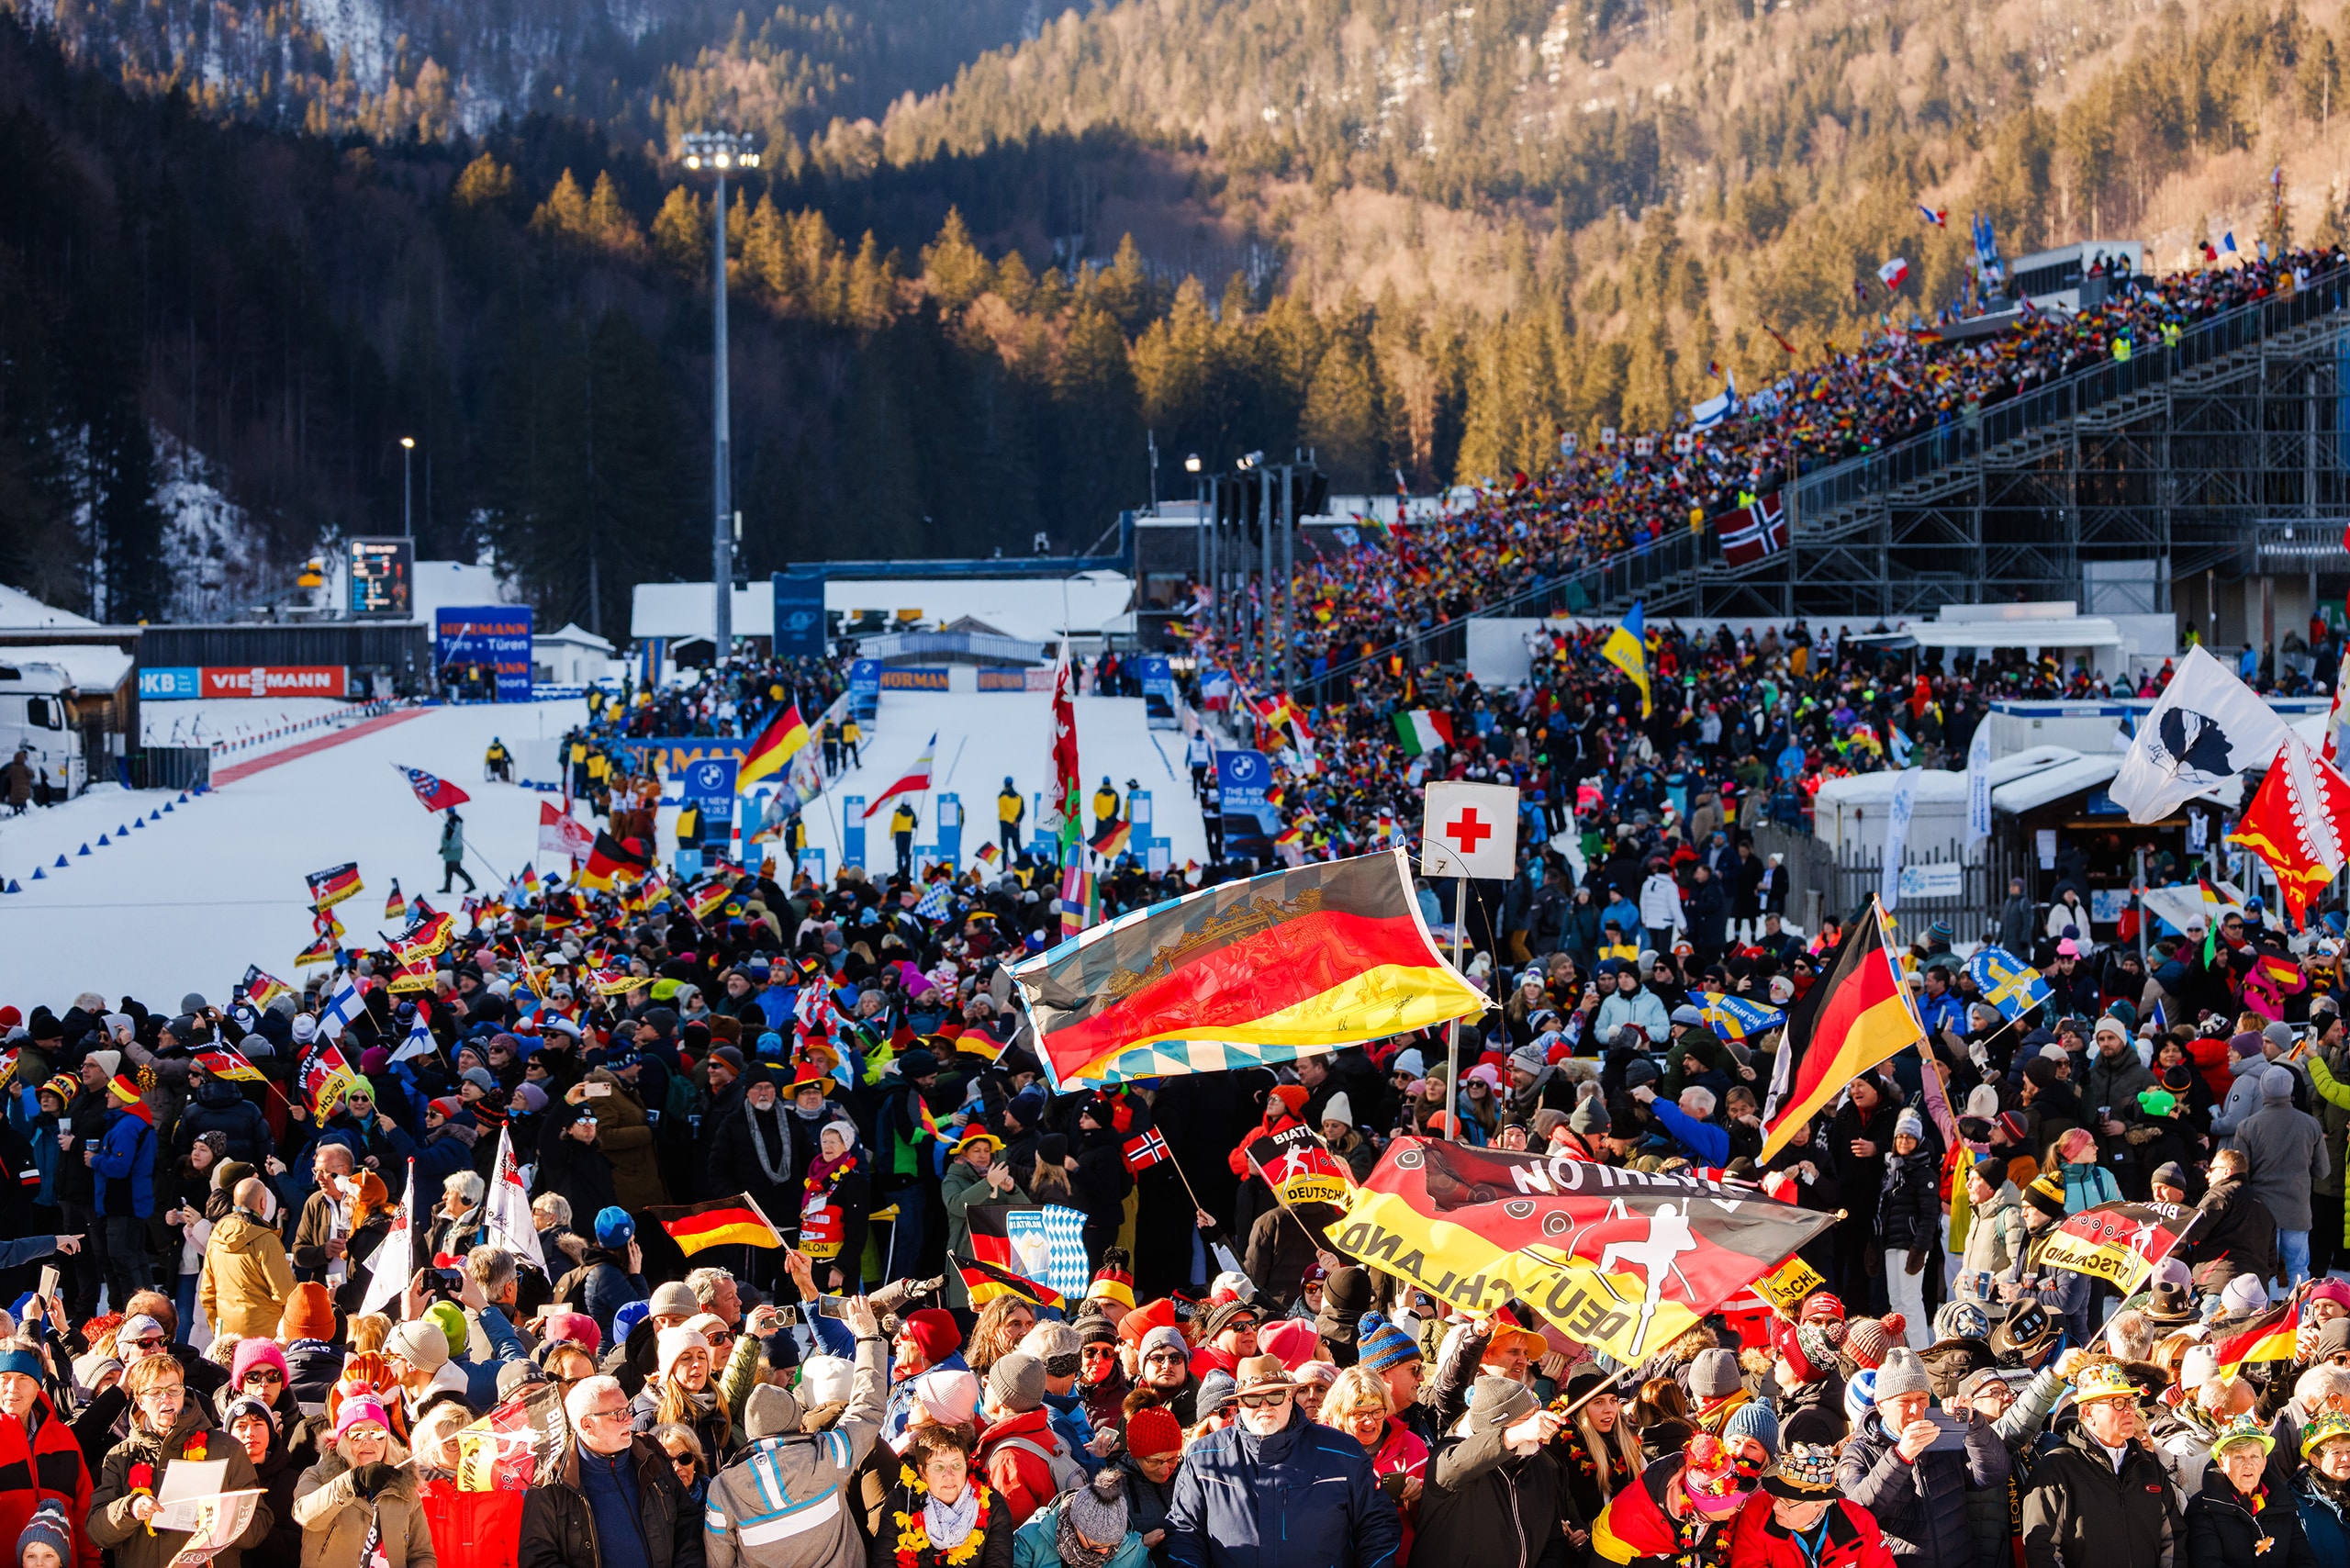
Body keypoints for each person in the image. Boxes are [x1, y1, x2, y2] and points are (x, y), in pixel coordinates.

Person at [1162, 1353, 1400, 1568]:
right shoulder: (1204, 1458)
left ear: (1289, 1398)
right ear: (1240, 1405)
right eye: (1254, 1399)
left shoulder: (1342, 1452)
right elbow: (1184, 1531)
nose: (1265, 1406)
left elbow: (1376, 1523)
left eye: (1274, 1396)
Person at [702, 1295, 886, 1568]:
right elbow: (868, 1409)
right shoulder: (829, 1455)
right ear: (798, 1420)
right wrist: (869, 1337)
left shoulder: (723, 1488)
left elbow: (719, 1561)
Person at [88, 1354, 273, 1568]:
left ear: (183, 1392)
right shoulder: (121, 1456)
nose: (166, 1399)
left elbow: (259, 1523)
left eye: (173, 1390)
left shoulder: (226, 1448)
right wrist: (131, 1508)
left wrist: (220, 1522)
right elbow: (96, 1531)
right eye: (156, 1392)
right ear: (140, 1400)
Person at [1836, 1347, 2009, 1568]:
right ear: (1881, 1405)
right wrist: (1900, 1457)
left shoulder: (1942, 1432)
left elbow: (1994, 1474)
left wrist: (1973, 1424)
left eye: (1921, 1398)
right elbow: (1855, 1513)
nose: (1915, 1410)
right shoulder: (1859, 1451)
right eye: (1904, 1401)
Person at [518, 1374, 704, 1568]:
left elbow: (686, 1521)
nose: (630, 1420)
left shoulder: (650, 1454)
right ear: (587, 1424)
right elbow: (538, 1559)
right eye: (618, 1414)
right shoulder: (551, 1481)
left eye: (627, 1410)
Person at [2020, 1361, 2182, 1568]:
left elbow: (2174, 1539)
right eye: (2117, 1403)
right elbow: (2042, 1549)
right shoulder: (2056, 1468)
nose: (2129, 1411)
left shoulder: (2148, 1465)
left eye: (2130, 1402)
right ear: (2088, 1413)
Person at [1412, 1374, 1577, 1567]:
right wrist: (1519, 1433)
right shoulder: (1449, 1457)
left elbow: (1552, 1540)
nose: (1534, 1426)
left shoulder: (1539, 1464)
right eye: (1525, 1418)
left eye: (1535, 1413)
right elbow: (1455, 1465)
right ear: (1496, 1426)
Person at [291, 1394, 435, 1567]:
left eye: (377, 1432)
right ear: (343, 1440)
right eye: (357, 1434)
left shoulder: (404, 1486)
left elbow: (422, 1554)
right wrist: (353, 1481)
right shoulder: (317, 1475)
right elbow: (305, 1515)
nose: (368, 1441)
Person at [866, 1421, 1013, 1568]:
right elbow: (884, 1562)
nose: (949, 1475)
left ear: (967, 1466)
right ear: (922, 1471)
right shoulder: (902, 1503)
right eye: (938, 1467)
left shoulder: (992, 1505)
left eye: (956, 1465)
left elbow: (999, 1562)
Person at [1729, 1442, 1897, 1568]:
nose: (1775, 1507)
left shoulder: (1859, 1521)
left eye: (1788, 1502)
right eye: (1776, 1497)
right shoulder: (1757, 1509)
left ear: (1819, 1504)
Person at [2184, 1413, 2316, 1568]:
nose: (2248, 1464)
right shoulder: (2203, 1507)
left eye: (2254, 1456)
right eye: (2239, 1457)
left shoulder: (2282, 1502)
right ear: (2221, 1463)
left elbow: (2304, 1560)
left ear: (2264, 1462)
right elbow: (2206, 1563)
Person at [200, 1176, 298, 1341]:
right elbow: (283, 1293)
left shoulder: (216, 1237)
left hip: (227, 1333)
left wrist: (219, 1332)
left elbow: (207, 1293)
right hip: (264, 1334)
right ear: (263, 1203)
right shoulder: (266, 1240)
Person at [1009, 1468, 1148, 1568]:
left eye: (1113, 1543)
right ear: (1075, 1525)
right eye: (1097, 1544)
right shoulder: (1033, 1536)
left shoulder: (1131, 1551)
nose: (1105, 1552)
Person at [440, 810, 476, 894]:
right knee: (448, 869)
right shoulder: (449, 823)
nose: (447, 815)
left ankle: (471, 884)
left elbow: (453, 837)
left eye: (448, 813)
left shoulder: (455, 822)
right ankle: (447, 887)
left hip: (454, 849)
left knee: (456, 868)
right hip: (449, 850)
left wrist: (447, 846)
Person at [998, 778, 1024, 859]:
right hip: (1015, 825)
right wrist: (1017, 821)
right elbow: (1022, 811)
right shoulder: (1019, 797)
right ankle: (1021, 866)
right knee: (1017, 846)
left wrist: (1011, 821)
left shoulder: (1002, 796)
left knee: (1004, 847)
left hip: (1005, 823)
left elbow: (1002, 811)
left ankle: (1005, 868)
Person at [891, 802, 918, 879]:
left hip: (899, 834)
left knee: (899, 854)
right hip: (907, 834)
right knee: (907, 854)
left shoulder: (898, 812)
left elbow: (893, 824)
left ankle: (900, 871)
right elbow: (914, 825)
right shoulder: (912, 813)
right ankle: (907, 871)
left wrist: (891, 834)